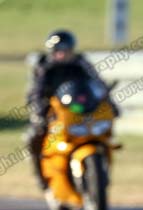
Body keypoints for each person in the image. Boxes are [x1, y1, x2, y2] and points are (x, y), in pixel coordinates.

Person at [25, 30, 111, 190]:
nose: (61, 54)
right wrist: (38, 113)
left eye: (65, 50)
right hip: (52, 111)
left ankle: (102, 168)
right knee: (34, 137)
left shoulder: (81, 63)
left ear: (72, 49)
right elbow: (35, 92)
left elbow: (98, 84)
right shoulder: (44, 67)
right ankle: (41, 176)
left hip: (79, 108)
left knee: (105, 131)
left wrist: (110, 103)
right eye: (57, 51)